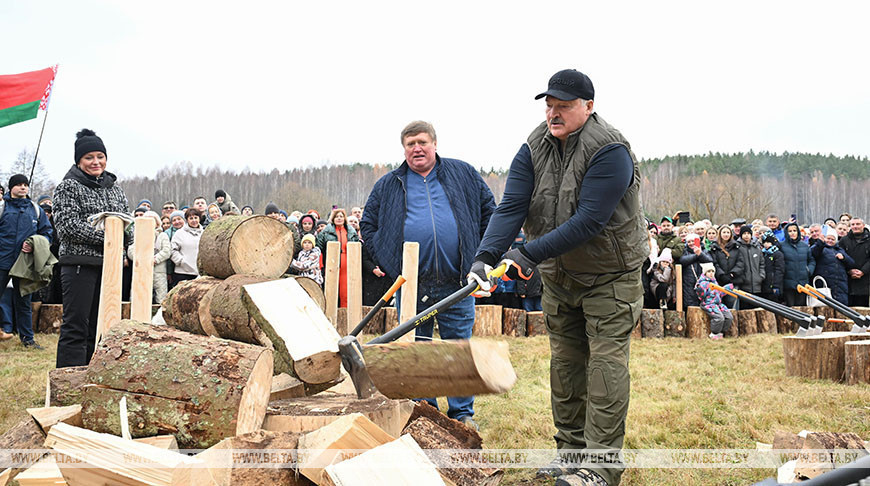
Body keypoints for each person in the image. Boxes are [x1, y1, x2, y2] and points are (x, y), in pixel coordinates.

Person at [470, 70, 644, 486]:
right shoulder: (534, 146)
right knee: (566, 367)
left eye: (563, 105)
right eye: (549, 105)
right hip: (560, 275)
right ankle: (571, 455)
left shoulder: (610, 149)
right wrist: (484, 257)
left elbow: (588, 221)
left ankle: (600, 469)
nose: (553, 113)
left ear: (589, 105)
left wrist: (527, 253)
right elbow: (511, 205)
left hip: (610, 275)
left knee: (603, 367)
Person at [361, 120, 495, 431]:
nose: (416, 148)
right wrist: (390, 261)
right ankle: (426, 412)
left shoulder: (462, 174)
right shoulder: (388, 184)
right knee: (417, 351)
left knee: (457, 348)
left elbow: (491, 210)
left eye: (422, 142)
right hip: (411, 286)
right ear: (404, 149)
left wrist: (484, 253)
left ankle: (462, 414)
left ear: (434, 144)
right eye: (410, 144)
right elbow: (368, 225)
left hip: (457, 282)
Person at [54, 129, 130, 367]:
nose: (96, 162)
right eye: (89, 157)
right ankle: (68, 379)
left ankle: (92, 374)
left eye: (100, 156)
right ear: (79, 160)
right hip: (79, 265)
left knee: (100, 327)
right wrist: (109, 237)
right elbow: (67, 227)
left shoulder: (114, 188)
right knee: (76, 325)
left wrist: (129, 240)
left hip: (109, 266)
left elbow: (126, 221)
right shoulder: (68, 187)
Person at [0, 174, 53, 348]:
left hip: (25, 264)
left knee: (23, 302)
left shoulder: (35, 209)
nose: (23, 187)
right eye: (19, 185)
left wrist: (34, 244)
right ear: (11, 188)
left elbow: (47, 233)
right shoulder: (2, 207)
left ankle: (28, 340)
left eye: (25, 184)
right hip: (2, 261)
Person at [316, 208, 359, 306]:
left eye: (341, 216)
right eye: (336, 216)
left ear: (344, 218)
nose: (339, 218)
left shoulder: (351, 231)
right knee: (331, 291)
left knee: (345, 292)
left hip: (347, 263)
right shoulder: (325, 231)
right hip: (332, 262)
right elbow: (319, 248)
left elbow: (357, 247)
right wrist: (321, 265)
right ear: (333, 218)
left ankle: (344, 314)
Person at [129, 211, 171, 304]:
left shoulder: (162, 235)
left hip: (159, 272)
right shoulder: (139, 235)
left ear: (157, 223)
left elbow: (167, 251)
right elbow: (131, 250)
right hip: (141, 270)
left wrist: (154, 259)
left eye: (152, 220)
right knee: (139, 296)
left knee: (161, 298)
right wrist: (140, 259)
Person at [811, 227, 854, 305]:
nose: (830, 241)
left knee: (841, 307)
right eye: (828, 238)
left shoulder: (840, 250)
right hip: (825, 284)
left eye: (833, 239)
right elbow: (814, 252)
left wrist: (844, 258)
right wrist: (820, 242)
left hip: (840, 285)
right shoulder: (820, 247)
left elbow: (851, 263)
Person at [695, 263, 734, 339]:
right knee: (719, 317)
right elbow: (701, 296)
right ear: (705, 273)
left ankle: (721, 332)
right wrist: (700, 290)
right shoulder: (703, 283)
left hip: (718, 304)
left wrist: (727, 288)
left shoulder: (715, 282)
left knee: (729, 317)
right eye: (709, 272)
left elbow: (719, 293)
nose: (711, 273)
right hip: (708, 304)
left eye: (712, 271)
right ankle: (714, 333)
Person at [780, 222, 815, 306]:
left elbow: (812, 260)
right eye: (790, 231)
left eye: (794, 230)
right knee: (790, 307)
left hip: (803, 282)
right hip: (788, 283)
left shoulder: (805, 246)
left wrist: (809, 270)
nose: (792, 233)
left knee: (802, 307)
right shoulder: (781, 246)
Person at [840, 217, 870, 307]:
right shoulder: (844, 240)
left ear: (863, 226)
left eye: (858, 224)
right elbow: (840, 257)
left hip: (865, 280)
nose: (855, 226)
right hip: (848, 281)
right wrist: (849, 270)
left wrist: (863, 271)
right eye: (853, 224)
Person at [680, 233, 714, 310]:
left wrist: (700, 254)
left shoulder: (704, 250)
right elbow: (682, 260)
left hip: (703, 283)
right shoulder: (684, 251)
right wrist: (697, 255)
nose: (691, 243)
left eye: (693, 241)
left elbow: (710, 261)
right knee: (690, 307)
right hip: (688, 284)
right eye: (689, 242)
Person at [170, 208, 203, 284]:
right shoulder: (179, 233)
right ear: (187, 220)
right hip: (182, 272)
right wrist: (181, 261)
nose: (194, 220)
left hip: (198, 273)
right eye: (191, 218)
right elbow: (172, 250)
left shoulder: (203, 233)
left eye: (196, 217)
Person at [732, 225, 765, 300]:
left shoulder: (756, 248)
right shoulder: (737, 248)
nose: (746, 236)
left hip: (757, 284)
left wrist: (761, 276)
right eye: (744, 233)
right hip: (744, 285)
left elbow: (761, 264)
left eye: (748, 233)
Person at [759, 231, 785, 303]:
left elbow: (779, 270)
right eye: (765, 242)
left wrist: (776, 285)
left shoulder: (778, 254)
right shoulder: (763, 254)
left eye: (769, 242)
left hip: (774, 284)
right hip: (765, 285)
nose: (766, 244)